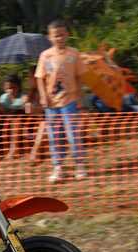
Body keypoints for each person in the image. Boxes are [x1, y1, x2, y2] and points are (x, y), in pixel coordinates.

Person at [35, 19, 86, 183]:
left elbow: (79, 77)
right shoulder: (45, 56)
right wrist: (43, 96)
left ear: (67, 35)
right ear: (49, 37)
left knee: (72, 134)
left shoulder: (74, 54)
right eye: (56, 35)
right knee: (54, 135)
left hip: (69, 101)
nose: (59, 38)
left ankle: (79, 165)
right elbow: (40, 78)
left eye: (62, 34)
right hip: (51, 104)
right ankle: (58, 167)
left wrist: (79, 97)